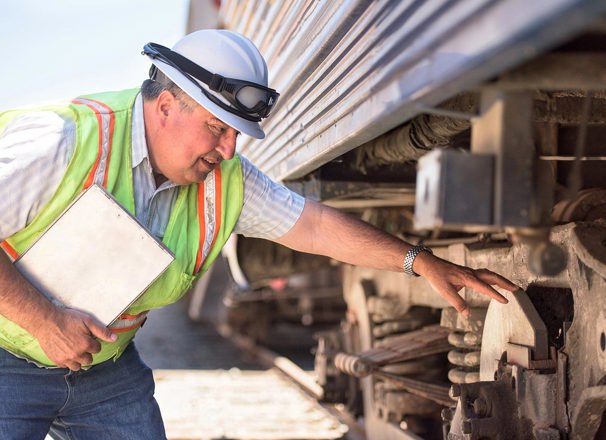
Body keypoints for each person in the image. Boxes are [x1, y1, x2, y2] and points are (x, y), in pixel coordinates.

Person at [0, 29, 518, 439]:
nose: (228, 151)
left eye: (236, 134)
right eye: (218, 128)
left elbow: (312, 225)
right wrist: (44, 319)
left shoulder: (226, 180)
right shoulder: (62, 140)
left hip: (104, 375)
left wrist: (421, 262)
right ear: (165, 107)